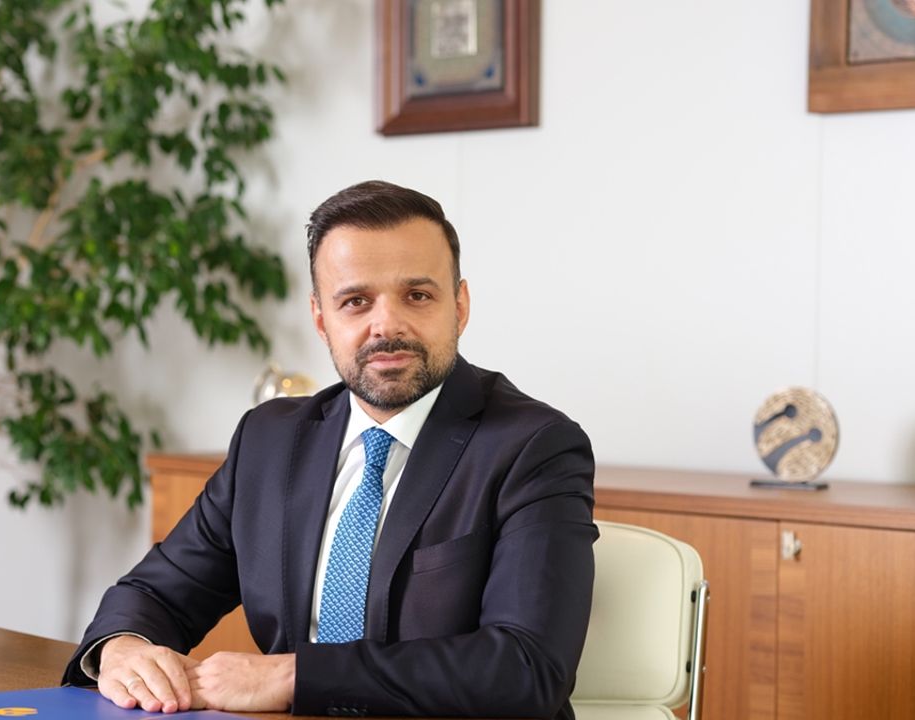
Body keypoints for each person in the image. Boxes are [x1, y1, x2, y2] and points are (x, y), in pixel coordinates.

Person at [62, 180, 597, 719]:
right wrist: (123, 647)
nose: (386, 325)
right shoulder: (268, 440)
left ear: (459, 306)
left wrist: (294, 675)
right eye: (355, 301)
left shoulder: (534, 446)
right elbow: (157, 594)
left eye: (417, 295)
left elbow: (527, 668)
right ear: (321, 319)